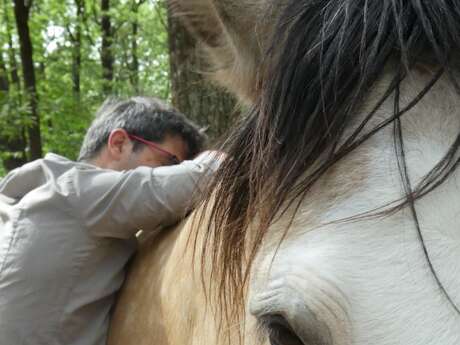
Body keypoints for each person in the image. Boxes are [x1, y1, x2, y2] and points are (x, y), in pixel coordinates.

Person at [0, 96, 221, 345]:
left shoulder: (30, 195)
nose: (172, 172)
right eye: (170, 162)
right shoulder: (77, 191)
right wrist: (214, 159)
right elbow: (195, 180)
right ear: (118, 144)